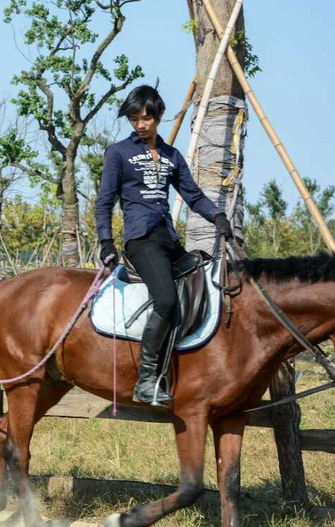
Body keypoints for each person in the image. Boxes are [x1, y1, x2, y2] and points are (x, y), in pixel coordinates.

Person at [94, 85, 233, 406]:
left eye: (146, 118)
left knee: (205, 282)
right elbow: (104, 202)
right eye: (134, 119)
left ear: (158, 116)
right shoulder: (118, 153)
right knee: (167, 300)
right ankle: (146, 381)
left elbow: (194, 196)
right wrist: (105, 240)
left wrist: (218, 217)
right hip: (141, 241)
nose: (141, 125)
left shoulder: (172, 156)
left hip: (169, 241)